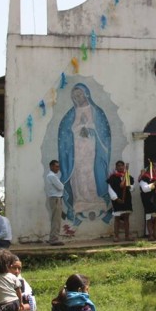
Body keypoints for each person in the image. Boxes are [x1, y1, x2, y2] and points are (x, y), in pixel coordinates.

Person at [58, 83, 112, 233]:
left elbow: (104, 132)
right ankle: (80, 199)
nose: (78, 98)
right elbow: (66, 132)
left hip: (91, 148)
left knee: (90, 173)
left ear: (86, 94)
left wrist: (89, 128)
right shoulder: (70, 114)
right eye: (75, 96)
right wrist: (78, 129)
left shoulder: (96, 111)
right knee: (78, 173)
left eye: (80, 94)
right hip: (76, 149)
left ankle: (94, 198)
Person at [106, 160, 134, 242]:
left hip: (127, 199)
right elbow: (110, 189)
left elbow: (132, 187)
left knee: (126, 218)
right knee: (117, 218)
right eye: (118, 165)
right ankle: (116, 236)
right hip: (117, 200)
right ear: (116, 167)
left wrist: (129, 187)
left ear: (124, 167)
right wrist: (116, 198)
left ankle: (127, 236)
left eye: (122, 165)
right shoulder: (112, 177)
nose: (120, 167)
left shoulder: (128, 176)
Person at [45, 160, 65, 246]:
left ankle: (53, 238)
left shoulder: (52, 176)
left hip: (55, 199)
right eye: (56, 166)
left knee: (55, 219)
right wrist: (62, 185)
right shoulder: (52, 176)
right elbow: (61, 187)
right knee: (56, 220)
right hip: (56, 199)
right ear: (51, 166)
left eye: (58, 166)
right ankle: (54, 239)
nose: (58, 168)